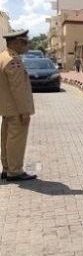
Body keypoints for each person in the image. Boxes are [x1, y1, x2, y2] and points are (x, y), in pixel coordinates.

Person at [0, 30, 37, 182]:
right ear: (15, 43)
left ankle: (7, 168)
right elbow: (18, 89)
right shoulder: (12, 61)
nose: (26, 45)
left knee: (7, 138)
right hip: (16, 108)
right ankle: (15, 171)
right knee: (16, 140)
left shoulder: (3, 56)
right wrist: (25, 112)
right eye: (23, 42)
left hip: (7, 107)